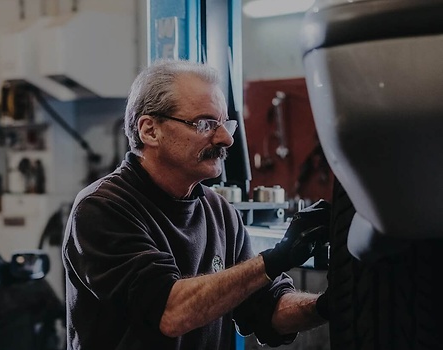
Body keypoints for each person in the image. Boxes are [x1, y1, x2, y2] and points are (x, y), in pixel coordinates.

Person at [62, 59, 330, 350]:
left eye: (225, 123)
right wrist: (278, 257)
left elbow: (267, 308)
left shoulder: (220, 213)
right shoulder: (102, 209)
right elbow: (169, 311)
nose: (225, 138)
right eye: (205, 124)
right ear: (150, 130)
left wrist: (328, 305)